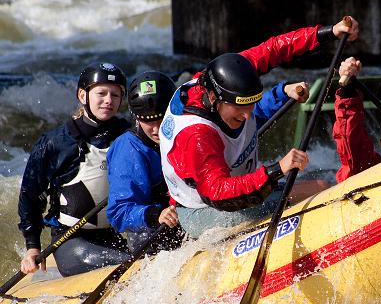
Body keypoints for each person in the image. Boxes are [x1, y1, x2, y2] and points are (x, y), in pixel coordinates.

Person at [160, 17, 358, 238]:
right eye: (239, 108)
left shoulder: (221, 79)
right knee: (319, 189)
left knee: (320, 185)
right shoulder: (196, 135)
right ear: (214, 98)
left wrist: (328, 32)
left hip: (225, 187)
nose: (247, 115)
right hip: (204, 212)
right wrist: (276, 170)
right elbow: (218, 193)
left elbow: (273, 49)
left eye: (251, 104)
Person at [18, 62, 132, 277]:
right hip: (71, 242)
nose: (108, 100)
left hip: (115, 236)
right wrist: (32, 247)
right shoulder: (56, 143)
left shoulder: (128, 136)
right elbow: (30, 197)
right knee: (131, 263)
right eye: (101, 93)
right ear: (82, 95)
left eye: (115, 95)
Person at [107, 71, 184, 254]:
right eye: (149, 122)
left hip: (188, 218)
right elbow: (119, 212)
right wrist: (156, 215)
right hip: (153, 234)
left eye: (162, 119)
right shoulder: (129, 149)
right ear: (136, 117)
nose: (157, 129)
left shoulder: (188, 129)